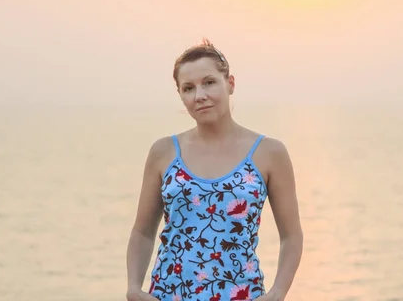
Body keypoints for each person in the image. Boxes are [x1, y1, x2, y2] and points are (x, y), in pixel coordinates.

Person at [125, 39, 303, 301]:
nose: (200, 95)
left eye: (209, 82)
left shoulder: (269, 153)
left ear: (230, 84)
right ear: (181, 96)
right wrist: (133, 288)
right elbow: (142, 231)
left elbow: (291, 236)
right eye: (188, 88)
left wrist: (277, 293)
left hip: (241, 294)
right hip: (168, 295)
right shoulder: (163, 152)